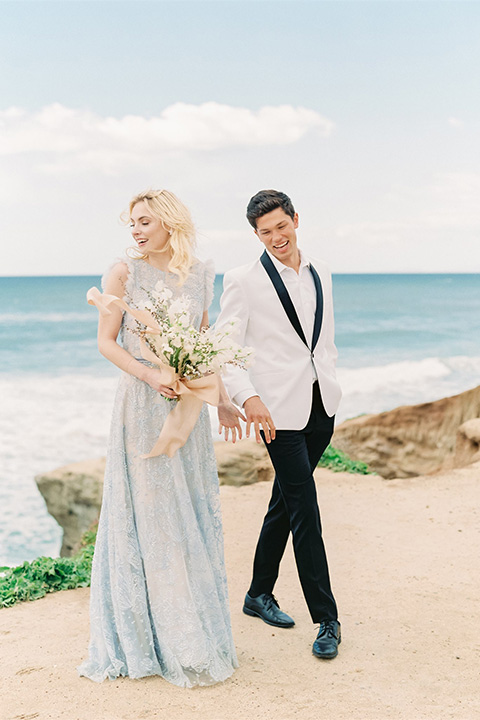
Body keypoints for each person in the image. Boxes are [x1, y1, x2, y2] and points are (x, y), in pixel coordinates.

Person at [78, 189, 238, 686]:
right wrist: (151, 377)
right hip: (142, 408)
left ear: (171, 222)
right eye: (132, 223)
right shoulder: (122, 273)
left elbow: (205, 344)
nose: (136, 231)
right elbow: (106, 342)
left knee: (188, 511)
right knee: (150, 516)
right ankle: (148, 638)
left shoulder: (203, 274)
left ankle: (191, 630)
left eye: (145, 221)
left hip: (188, 410)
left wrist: (224, 397)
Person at [216, 189, 343, 659]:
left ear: (295, 220)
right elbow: (224, 348)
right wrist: (248, 398)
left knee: (285, 504)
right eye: (264, 233)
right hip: (276, 416)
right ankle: (326, 619)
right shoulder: (243, 280)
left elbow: (321, 342)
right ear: (256, 234)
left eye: (280, 227)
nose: (275, 238)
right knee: (305, 511)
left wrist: (331, 380)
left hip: (321, 407)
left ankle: (257, 593)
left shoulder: (322, 272)